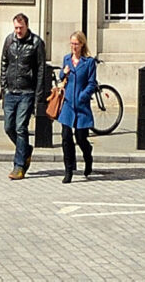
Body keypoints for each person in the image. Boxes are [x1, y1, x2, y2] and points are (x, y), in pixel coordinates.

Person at [0, 12, 48, 179]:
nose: (18, 31)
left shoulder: (36, 43)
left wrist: (39, 94)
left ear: (27, 26)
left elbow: (41, 69)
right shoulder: (9, 40)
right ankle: (25, 149)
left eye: (21, 28)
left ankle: (19, 166)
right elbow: (4, 62)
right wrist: (3, 86)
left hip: (27, 91)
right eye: (16, 28)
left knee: (21, 127)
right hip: (10, 91)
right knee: (8, 127)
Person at [55, 30, 101, 183]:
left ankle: (88, 156)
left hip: (81, 106)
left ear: (82, 44)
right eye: (72, 44)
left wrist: (83, 96)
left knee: (81, 138)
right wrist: (63, 73)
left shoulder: (88, 62)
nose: (73, 47)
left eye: (76, 44)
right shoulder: (67, 59)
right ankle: (68, 170)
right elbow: (62, 78)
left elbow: (91, 83)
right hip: (68, 105)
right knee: (66, 138)